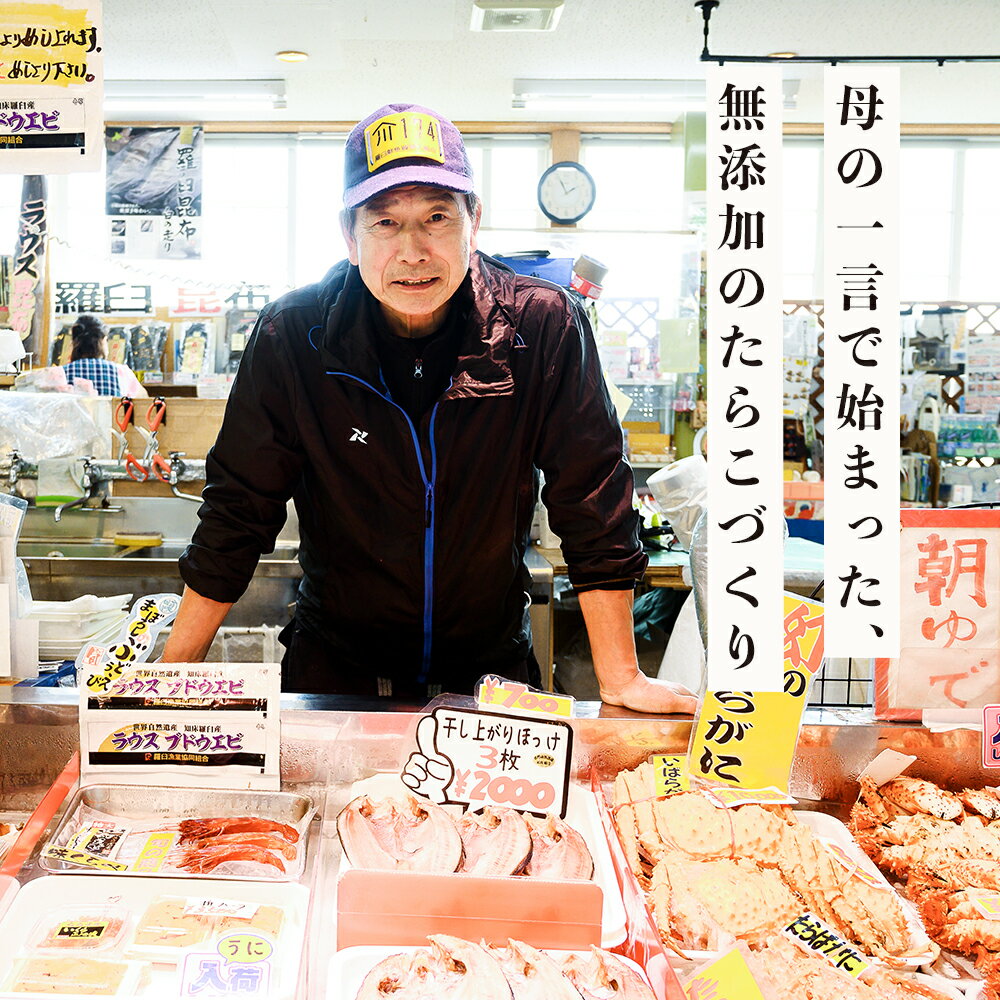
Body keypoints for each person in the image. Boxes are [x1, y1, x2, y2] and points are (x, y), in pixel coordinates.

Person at [163, 102, 695, 714]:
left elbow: (591, 498)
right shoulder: (295, 335)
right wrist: (171, 678)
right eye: (384, 222)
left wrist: (623, 678)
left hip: (489, 682)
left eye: (436, 217)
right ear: (348, 233)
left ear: (475, 220)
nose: (412, 251)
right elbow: (239, 509)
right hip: (333, 676)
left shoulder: (541, 326)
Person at [62, 314, 148, 398]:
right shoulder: (122, 372)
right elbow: (143, 401)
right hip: (112, 412)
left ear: (73, 343)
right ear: (102, 340)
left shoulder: (60, 373)